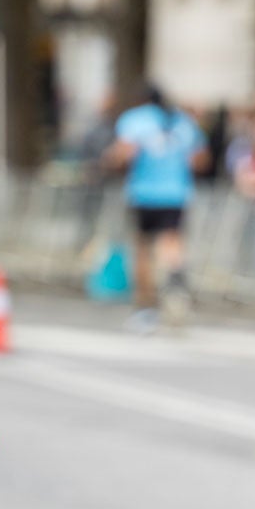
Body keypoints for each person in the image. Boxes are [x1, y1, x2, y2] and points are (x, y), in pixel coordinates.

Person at [103, 83, 208, 331]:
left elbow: (123, 153)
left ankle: (146, 308)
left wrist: (107, 161)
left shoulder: (134, 120)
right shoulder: (183, 121)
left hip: (144, 193)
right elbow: (200, 160)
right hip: (177, 193)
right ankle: (176, 281)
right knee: (172, 242)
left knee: (142, 249)